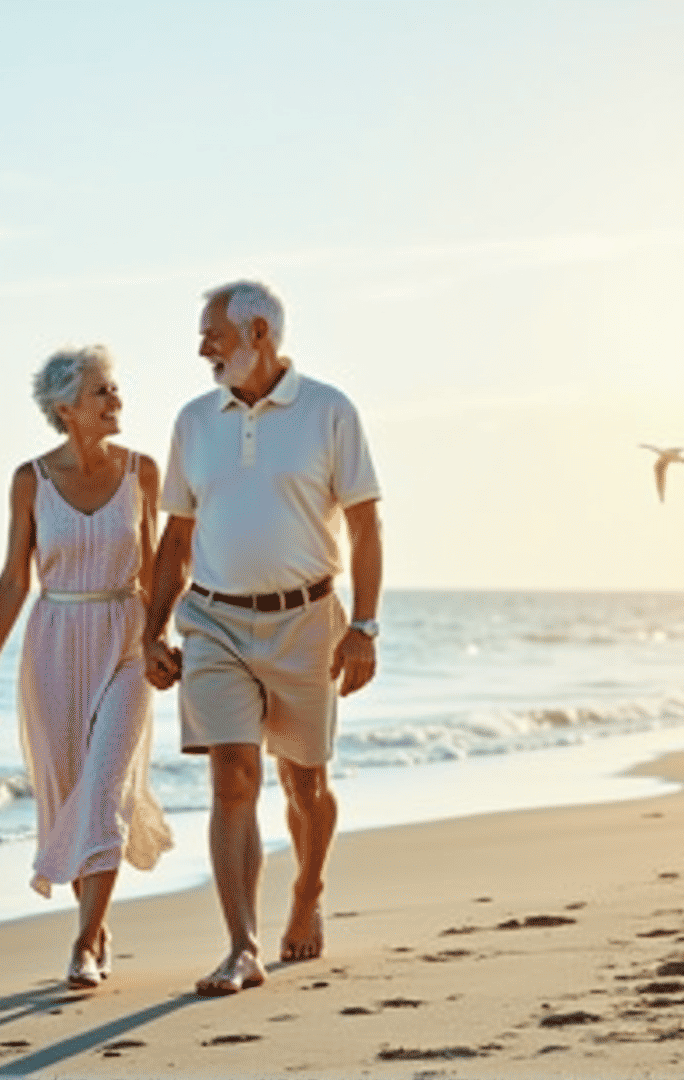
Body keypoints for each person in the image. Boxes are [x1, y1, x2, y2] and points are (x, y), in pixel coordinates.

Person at [143, 280, 383, 997]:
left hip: (307, 619)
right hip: (213, 620)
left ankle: (308, 887)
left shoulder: (329, 411)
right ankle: (242, 946)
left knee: (305, 783)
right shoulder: (194, 421)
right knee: (233, 776)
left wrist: (364, 627)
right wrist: (151, 628)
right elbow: (177, 535)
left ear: (256, 331)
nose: (202, 348)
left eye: (211, 334)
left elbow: (366, 525)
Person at [0, 345, 173, 990]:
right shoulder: (30, 479)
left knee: (104, 789)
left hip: (126, 640)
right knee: (69, 790)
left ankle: (84, 943)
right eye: (101, 394)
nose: (116, 402)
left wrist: (161, 635)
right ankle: (98, 921)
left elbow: (157, 566)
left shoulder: (142, 471)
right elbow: (12, 578)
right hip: (53, 645)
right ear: (65, 409)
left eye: (114, 390)